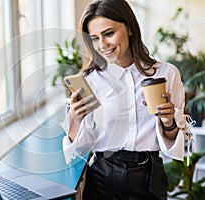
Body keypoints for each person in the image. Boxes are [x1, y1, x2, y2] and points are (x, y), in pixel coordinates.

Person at [61, 0, 188, 199]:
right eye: (95, 38)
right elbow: (79, 150)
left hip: (149, 179)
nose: (102, 45)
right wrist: (75, 120)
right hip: (103, 178)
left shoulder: (167, 73)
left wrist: (169, 122)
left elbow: (173, 142)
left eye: (109, 34)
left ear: (129, 28)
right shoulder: (91, 80)